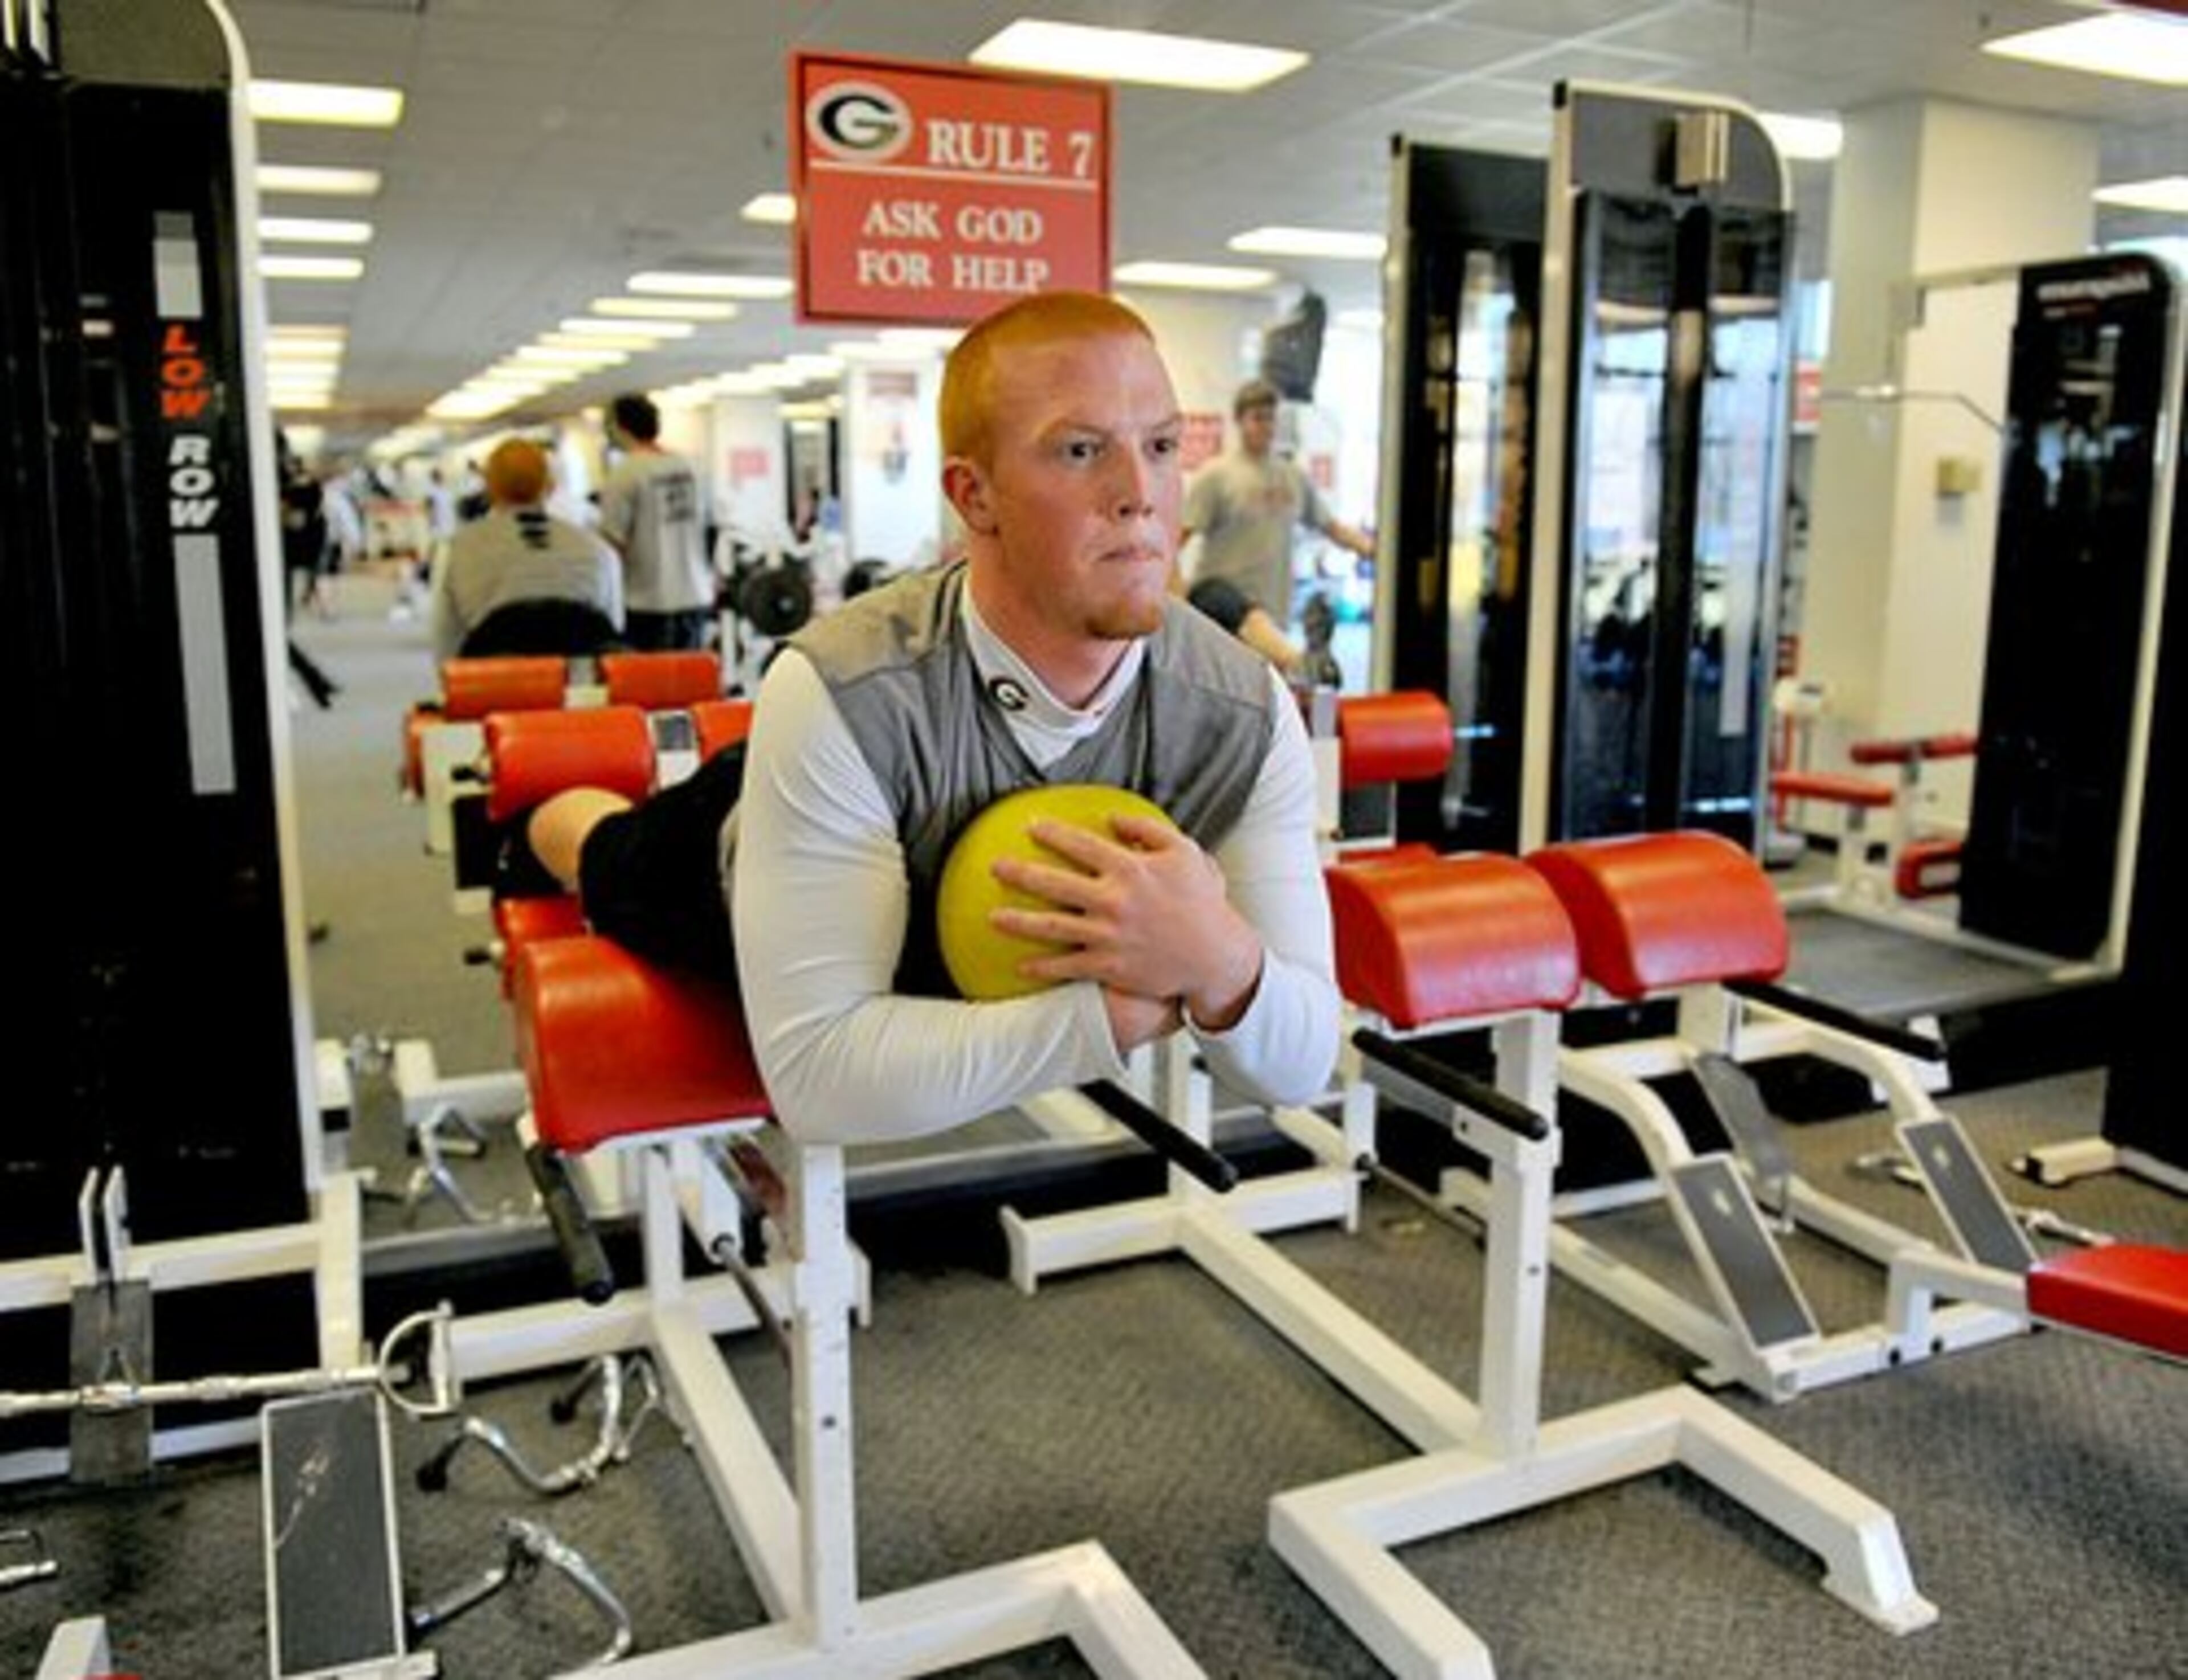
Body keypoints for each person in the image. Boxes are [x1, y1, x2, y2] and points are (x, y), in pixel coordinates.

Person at [513, 291, 1338, 1149]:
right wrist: (1109, 1018)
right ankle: (537, 815)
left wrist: (1220, 961)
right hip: (738, 849)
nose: (1139, 493)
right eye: (1081, 450)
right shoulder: (841, 688)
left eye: (1161, 447)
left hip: (883, 816)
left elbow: (1304, 1058)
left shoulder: (1243, 710)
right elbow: (821, 1084)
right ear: (973, 496)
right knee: (596, 850)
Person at [1179, 377, 1375, 678]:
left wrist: (1376, 552)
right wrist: (1176, 604)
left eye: (1271, 418)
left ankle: (1300, 664)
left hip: (1274, 617)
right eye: (1258, 418)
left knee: (1268, 704)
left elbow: (1331, 527)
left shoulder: (1292, 476)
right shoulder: (1216, 476)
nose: (1266, 427)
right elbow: (1175, 541)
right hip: (1222, 613)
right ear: (1240, 420)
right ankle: (1299, 664)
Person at [428, 437, 624, 661]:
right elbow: (612, 638)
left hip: (494, 687)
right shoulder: (598, 551)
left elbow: (446, 641)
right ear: (549, 486)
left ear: (490, 488)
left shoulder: (459, 551)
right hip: (576, 687)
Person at [598, 393, 713, 651]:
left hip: (647, 603)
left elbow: (612, 545)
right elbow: (708, 528)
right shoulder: (692, 467)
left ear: (620, 427)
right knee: (690, 683)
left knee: (652, 686)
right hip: (695, 596)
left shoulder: (624, 474)